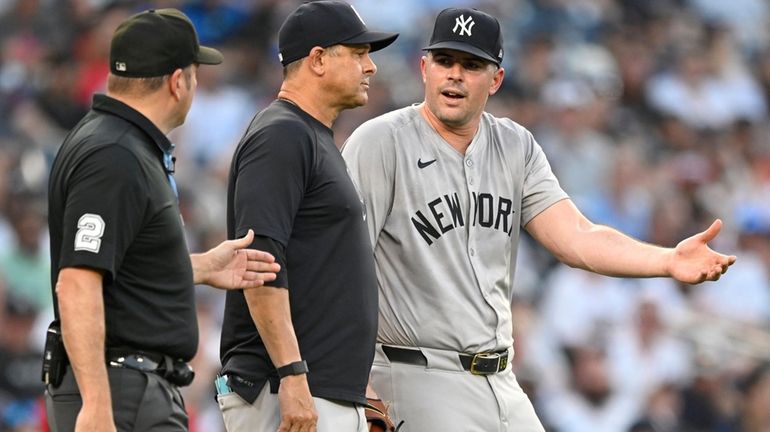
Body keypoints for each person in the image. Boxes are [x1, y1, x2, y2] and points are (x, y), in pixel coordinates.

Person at [341, 7, 737, 431]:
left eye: (472, 64)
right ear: (424, 67)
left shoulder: (515, 145)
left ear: (495, 79)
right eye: (445, 61)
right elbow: (341, 267)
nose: (455, 74)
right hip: (415, 374)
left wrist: (666, 261)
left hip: (501, 378)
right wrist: (356, 384)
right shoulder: (380, 142)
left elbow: (578, 237)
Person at [45, 9, 281, 432]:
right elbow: (78, 281)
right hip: (120, 391)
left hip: (129, 386)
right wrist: (98, 406)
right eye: (193, 72)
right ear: (177, 81)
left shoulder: (117, 142)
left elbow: (115, 266)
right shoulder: (113, 154)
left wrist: (199, 267)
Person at [215, 2, 397, 431]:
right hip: (286, 388)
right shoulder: (282, 134)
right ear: (317, 59)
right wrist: (293, 375)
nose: (370, 67)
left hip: (321, 387)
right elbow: (258, 262)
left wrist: (355, 387)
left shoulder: (312, 137)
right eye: (358, 53)